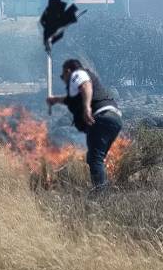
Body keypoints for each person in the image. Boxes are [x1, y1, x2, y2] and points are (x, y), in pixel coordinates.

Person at [47, 58, 122, 188]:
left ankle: (101, 195)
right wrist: (55, 100)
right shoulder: (79, 82)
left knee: (94, 159)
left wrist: (87, 107)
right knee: (99, 158)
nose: (63, 79)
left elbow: (86, 85)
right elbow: (72, 99)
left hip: (101, 118)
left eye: (62, 75)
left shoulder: (77, 73)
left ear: (68, 71)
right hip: (114, 119)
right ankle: (105, 188)